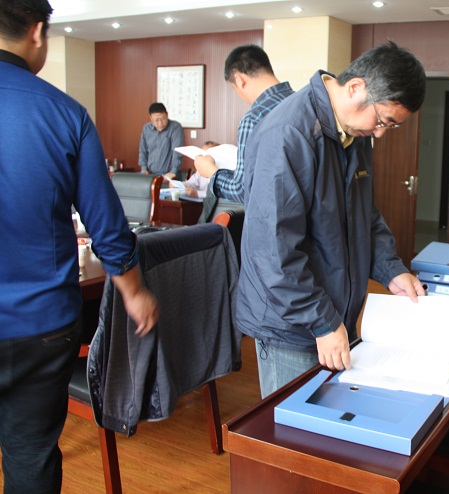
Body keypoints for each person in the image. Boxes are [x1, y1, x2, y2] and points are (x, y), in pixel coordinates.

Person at [0, 2, 159, 492]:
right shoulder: (64, 113)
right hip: (39, 324)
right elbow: (107, 226)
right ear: (37, 32)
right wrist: (134, 292)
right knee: (31, 454)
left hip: (37, 323)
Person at [237, 41, 427, 397]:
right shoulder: (289, 133)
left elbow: (364, 214)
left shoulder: (354, 132)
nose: (380, 132)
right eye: (383, 120)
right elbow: (273, 251)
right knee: (294, 426)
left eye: (390, 126)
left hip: (332, 314)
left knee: (328, 420)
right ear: (355, 87)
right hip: (291, 323)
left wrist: (391, 269)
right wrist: (322, 320)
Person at [194, 44, 293, 215]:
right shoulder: (303, 104)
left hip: (274, 220)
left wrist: (211, 172)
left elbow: (243, 190)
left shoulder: (254, 119)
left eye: (235, 89)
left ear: (239, 80)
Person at [138, 102, 184, 179]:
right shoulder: (146, 129)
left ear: (167, 114)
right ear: (150, 118)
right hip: (151, 174)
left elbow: (177, 152)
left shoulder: (175, 127)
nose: (160, 123)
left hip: (171, 174)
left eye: (162, 119)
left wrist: (173, 171)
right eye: (156, 120)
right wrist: (144, 168)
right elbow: (143, 150)